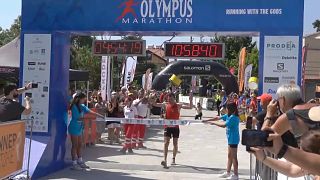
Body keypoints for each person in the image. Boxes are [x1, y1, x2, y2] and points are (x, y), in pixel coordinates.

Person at [251, 130, 320, 179]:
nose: (299, 153)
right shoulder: (310, 168)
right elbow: (291, 169)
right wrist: (264, 158)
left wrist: (281, 149)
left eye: (301, 153)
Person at [153, 93, 193, 168]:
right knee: (166, 143)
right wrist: (152, 97)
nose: (169, 100)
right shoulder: (165, 104)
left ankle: (173, 158)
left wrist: (191, 99)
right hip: (167, 126)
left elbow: (190, 107)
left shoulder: (178, 105)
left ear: (174, 98)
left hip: (175, 127)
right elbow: (155, 104)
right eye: (168, 99)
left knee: (175, 144)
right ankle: (164, 160)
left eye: (171, 99)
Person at [203, 102, 240, 180]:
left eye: (226, 108)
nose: (225, 109)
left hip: (234, 139)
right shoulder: (228, 115)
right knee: (229, 156)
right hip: (230, 138)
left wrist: (213, 123)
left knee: (234, 157)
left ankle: (236, 175)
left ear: (230, 109)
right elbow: (218, 118)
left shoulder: (233, 117)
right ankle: (228, 172)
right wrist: (207, 120)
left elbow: (223, 125)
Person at [68, 92, 104, 170]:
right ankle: (74, 163)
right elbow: (78, 118)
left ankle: (80, 161)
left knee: (80, 144)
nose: (85, 100)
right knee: (75, 145)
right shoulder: (74, 106)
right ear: (79, 98)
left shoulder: (83, 106)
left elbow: (90, 111)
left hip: (79, 127)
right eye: (83, 98)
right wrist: (89, 118)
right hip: (73, 127)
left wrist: (98, 115)